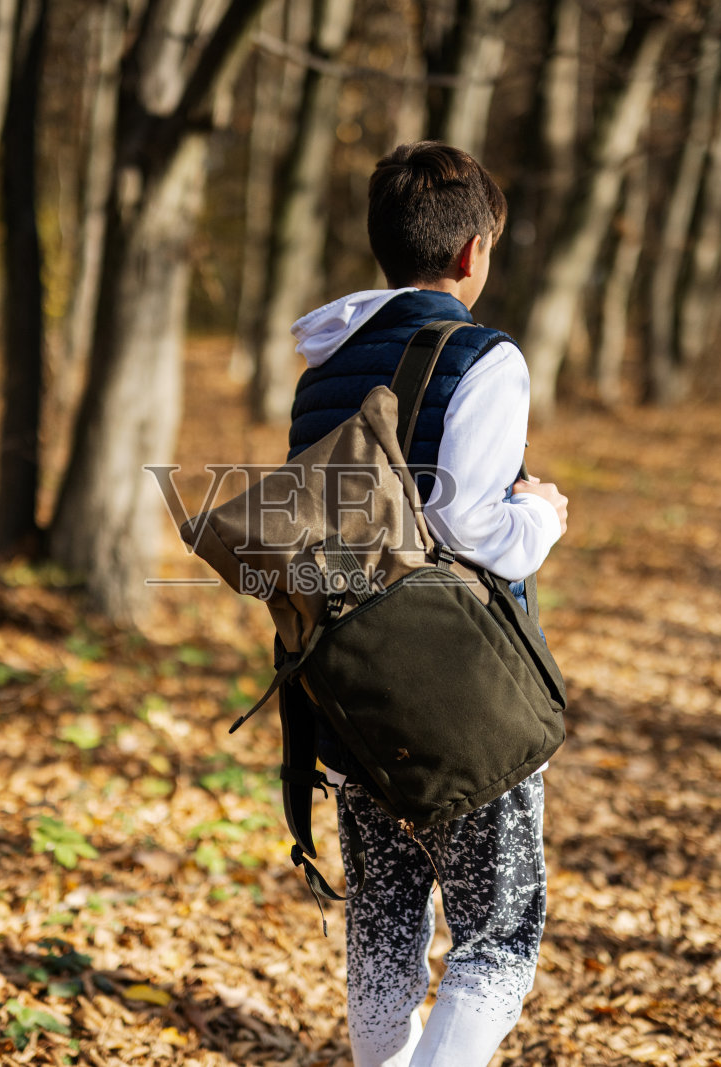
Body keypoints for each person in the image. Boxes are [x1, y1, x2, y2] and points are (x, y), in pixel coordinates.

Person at [284, 142, 569, 1066]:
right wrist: (541, 517)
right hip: (460, 695)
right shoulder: (485, 357)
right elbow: (469, 525)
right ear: (472, 253)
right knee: (496, 938)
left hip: (351, 691)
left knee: (383, 938)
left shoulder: (320, 370)